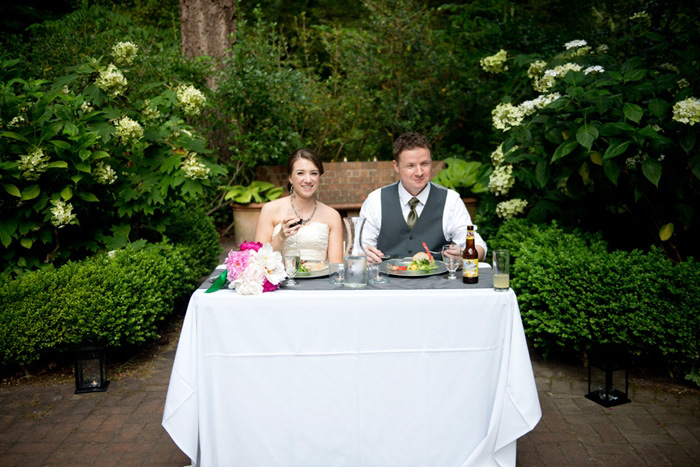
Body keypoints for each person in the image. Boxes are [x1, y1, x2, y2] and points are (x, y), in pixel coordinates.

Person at [360, 132, 487, 262]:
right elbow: (359, 251)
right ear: (396, 166)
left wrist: (466, 254)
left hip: (437, 282)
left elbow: (478, 246)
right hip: (386, 281)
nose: (419, 172)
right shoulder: (375, 201)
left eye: (424, 164)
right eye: (411, 166)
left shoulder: (450, 200)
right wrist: (364, 256)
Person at [255, 149, 343, 263]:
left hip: (319, 279)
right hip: (280, 280)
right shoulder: (270, 210)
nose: (308, 180)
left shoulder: (332, 215)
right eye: (300, 173)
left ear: (319, 177)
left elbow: (336, 267)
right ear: (290, 178)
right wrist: (281, 237)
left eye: (314, 173)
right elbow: (258, 260)